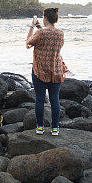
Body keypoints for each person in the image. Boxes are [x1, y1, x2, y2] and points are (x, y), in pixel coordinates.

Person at [26, 7, 69, 135]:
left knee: (40, 99)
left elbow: (28, 43)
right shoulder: (60, 33)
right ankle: (55, 128)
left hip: (40, 70)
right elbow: (49, 42)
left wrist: (32, 27)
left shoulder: (41, 33)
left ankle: (40, 127)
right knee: (55, 99)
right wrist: (40, 28)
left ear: (45, 18)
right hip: (56, 70)